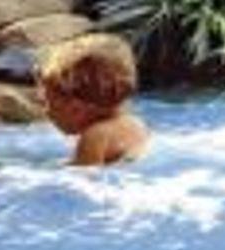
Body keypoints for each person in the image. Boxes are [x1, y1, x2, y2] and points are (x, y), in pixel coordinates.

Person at [38, 33, 151, 167]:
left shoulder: (94, 137)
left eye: (49, 103)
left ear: (76, 108)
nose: (46, 112)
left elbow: (84, 177)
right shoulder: (136, 124)